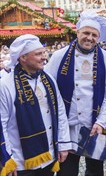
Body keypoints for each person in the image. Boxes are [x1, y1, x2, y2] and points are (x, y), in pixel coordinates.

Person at [45, 10, 106, 176]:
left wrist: (101, 122)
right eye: (86, 33)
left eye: (94, 35)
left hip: (94, 127)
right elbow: (47, 88)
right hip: (68, 127)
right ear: (77, 32)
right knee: (67, 172)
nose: (90, 38)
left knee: (95, 171)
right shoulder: (59, 56)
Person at [0, 34, 71, 175]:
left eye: (43, 52)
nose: (44, 57)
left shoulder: (48, 78)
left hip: (49, 156)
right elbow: (2, 125)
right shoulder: (5, 85)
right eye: (38, 54)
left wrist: (63, 145)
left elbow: (60, 112)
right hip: (21, 162)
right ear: (23, 58)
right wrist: (7, 159)